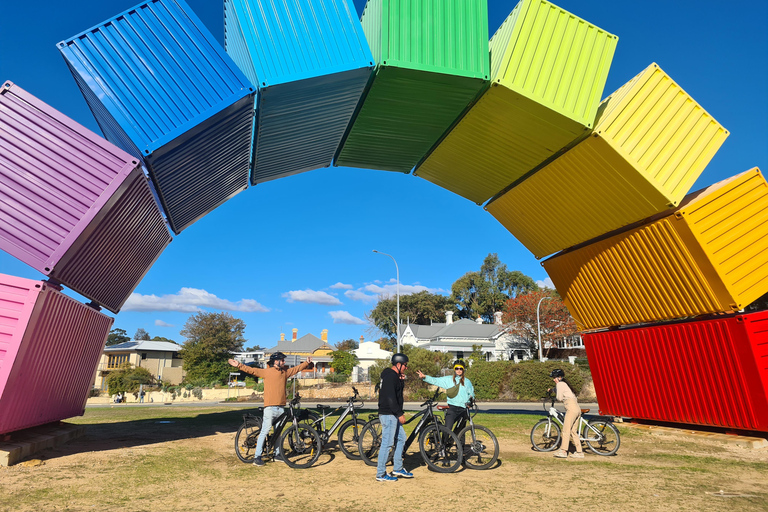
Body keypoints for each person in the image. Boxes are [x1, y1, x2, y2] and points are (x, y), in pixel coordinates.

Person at [227, 352, 313, 466]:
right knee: (265, 430)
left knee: (278, 433)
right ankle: (257, 457)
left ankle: (277, 454)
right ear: (276, 361)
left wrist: (306, 362)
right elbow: (251, 370)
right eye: (282, 360)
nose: (284, 362)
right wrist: (239, 365)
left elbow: (296, 369)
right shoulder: (267, 372)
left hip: (281, 408)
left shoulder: (284, 373)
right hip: (269, 408)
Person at [375, 353, 414, 482]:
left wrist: (401, 381)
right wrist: (399, 414)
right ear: (398, 364)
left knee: (401, 438)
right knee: (387, 443)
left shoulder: (393, 377)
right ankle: (380, 473)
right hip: (389, 414)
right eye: (405, 365)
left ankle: (397, 468)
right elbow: (391, 398)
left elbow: (397, 394)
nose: (406, 368)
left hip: (392, 414)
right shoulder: (390, 377)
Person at [417, 359, 475, 435]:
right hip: (452, 408)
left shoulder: (467, 382)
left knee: (461, 431)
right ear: (454, 369)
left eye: (461, 369)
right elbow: (436, 380)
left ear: (463, 370)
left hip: (463, 408)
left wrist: (471, 401)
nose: (459, 370)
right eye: (457, 368)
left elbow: (471, 393)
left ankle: (461, 447)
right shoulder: (448, 379)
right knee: (447, 429)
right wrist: (425, 377)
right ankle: (443, 445)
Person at [548, 368, 584, 459]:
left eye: (555, 377)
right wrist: (552, 390)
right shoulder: (564, 384)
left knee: (565, 430)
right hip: (576, 408)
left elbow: (559, 398)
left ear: (560, 377)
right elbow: (559, 391)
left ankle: (563, 451)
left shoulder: (560, 384)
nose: (554, 379)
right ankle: (579, 452)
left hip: (571, 409)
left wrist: (554, 396)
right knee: (573, 431)